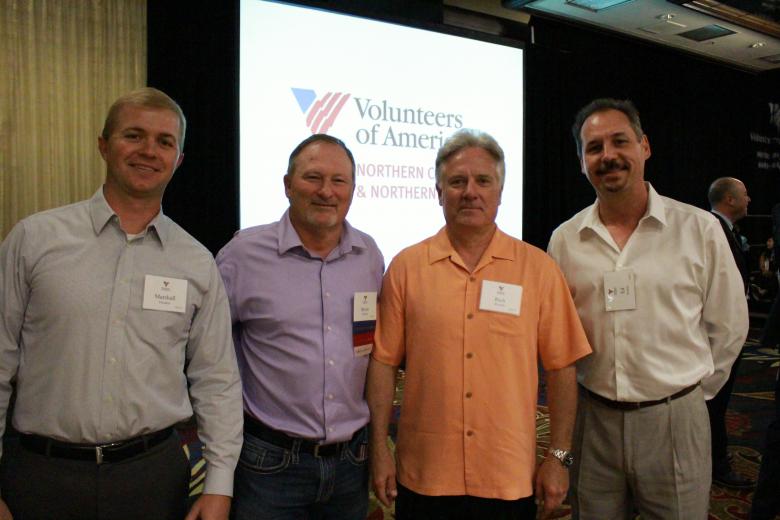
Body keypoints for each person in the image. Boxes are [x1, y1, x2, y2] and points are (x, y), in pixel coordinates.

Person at [0, 87, 243, 520]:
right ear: (103, 145)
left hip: (152, 479)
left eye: (164, 142)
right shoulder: (34, 239)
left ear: (178, 160)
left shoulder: (196, 261)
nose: (149, 151)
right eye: (134, 135)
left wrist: (220, 485)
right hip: (42, 476)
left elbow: (216, 380)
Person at [367, 129, 592, 520]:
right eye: (457, 181)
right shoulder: (406, 268)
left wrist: (559, 457)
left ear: (500, 193)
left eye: (483, 181)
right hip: (425, 473)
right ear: (439, 192)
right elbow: (383, 363)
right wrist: (379, 450)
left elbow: (562, 368)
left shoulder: (539, 270)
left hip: (508, 474)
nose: (470, 192)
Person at [547, 98, 749, 519]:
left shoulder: (699, 229)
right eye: (594, 147)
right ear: (582, 163)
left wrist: (688, 396)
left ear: (645, 147)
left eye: (620, 141)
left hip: (676, 420)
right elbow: (559, 338)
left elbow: (728, 326)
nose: (608, 155)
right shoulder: (565, 240)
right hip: (594, 421)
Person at [216, 134, 384, 519]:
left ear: (353, 190)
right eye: (313, 178)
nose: (327, 191)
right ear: (288, 185)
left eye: (339, 181)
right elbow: (209, 355)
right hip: (270, 465)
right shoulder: (243, 255)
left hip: (351, 463)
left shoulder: (369, 255)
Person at [706, 176, 754, 488]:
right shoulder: (710, 230)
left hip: (729, 332)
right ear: (730, 199)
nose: (749, 200)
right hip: (715, 336)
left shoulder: (728, 231)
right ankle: (716, 464)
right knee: (714, 401)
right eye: (745, 194)